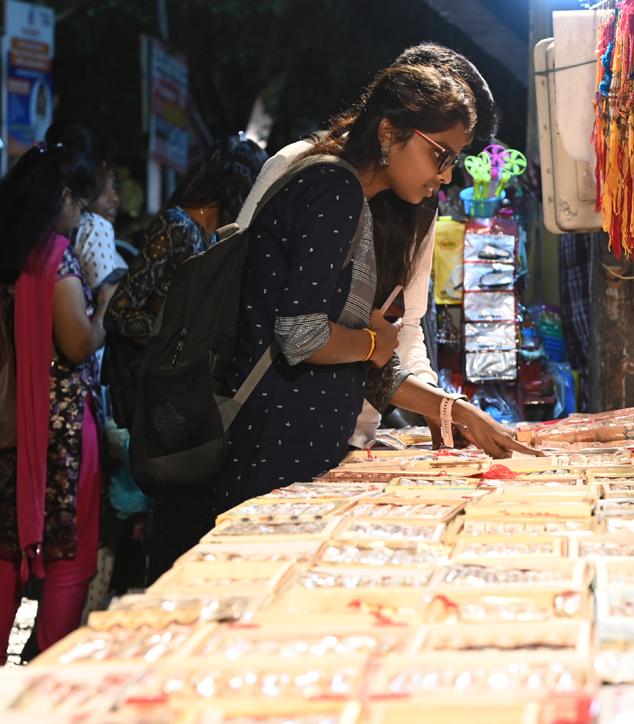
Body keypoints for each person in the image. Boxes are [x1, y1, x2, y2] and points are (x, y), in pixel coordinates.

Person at [214, 51, 536, 511]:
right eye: (440, 156)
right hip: (278, 446)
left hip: (311, 444)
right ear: (390, 132)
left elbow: (387, 341)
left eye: (455, 161)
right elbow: (301, 334)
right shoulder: (332, 184)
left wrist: (444, 406)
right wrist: (369, 343)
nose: (445, 177)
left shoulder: (361, 194)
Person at [0, 141, 113, 666]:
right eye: (79, 204)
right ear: (62, 197)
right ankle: (45, 673)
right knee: (70, 558)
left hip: (1, 424)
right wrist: (106, 304)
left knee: (8, 552)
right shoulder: (52, 254)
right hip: (58, 429)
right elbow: (78, 343)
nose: (80, 214)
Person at [104, 135, 266, 579]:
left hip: (189, 391)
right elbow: (120, 312)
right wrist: (173, 342)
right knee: (173, 506)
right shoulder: (177, 226)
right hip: (165, 389)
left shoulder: (216, 235)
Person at [46, 117, 126, 292]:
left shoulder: (37, 220)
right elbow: (106, 304)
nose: (114, 198)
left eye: (116, 187)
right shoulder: (95, 227)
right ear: (102, 170)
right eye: (108, 186)